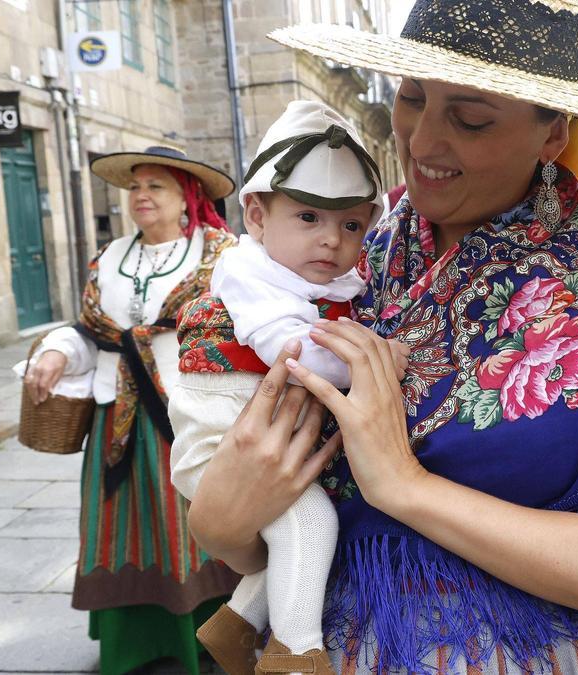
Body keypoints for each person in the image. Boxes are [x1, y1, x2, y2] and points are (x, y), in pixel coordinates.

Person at [184, 1, 578, 673]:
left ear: (552, 134)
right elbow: (275, 513)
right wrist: (220, 523)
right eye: (411, 98)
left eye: (470, 118)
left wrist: (406, 486)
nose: (420, 142)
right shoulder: (358, 249)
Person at [167, 100, 406, 675]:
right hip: (222, 450)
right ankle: (296, 653)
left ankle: (237, 624)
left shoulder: (306, 272)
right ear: (255, 216)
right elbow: (295, 356)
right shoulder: (252, 276)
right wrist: (376, 360)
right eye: (308, 218)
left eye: (351, 225)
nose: (331, 240)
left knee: (297, 536)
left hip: (270, 442)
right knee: (310, 522)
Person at [22, 147, 240, 675]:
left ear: (187, 197)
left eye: (156, 186)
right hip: (116, 420)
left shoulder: (222, 255)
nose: (141, 196)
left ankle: (212, 636)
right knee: (119, 526)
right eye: (135, 187)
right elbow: (91, 333)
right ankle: (134, 643)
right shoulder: (111, 256)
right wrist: (54, 350)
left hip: (191, 414)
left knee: (198, 525)